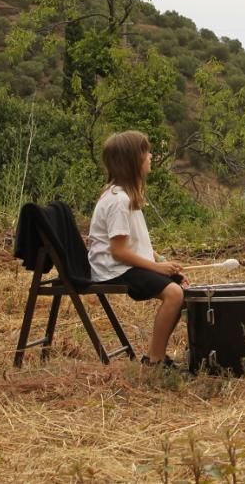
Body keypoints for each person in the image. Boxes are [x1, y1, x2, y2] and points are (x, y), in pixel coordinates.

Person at [87, 130, 187, 368]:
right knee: (174, 294)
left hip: (123, 264)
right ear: (132, 162)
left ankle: (156, 355)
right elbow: (119, 252)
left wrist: (162, 261)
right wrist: (155, 267)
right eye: (145, 153)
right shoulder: (118, 202)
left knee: (179, 283)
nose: (150, 156)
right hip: (114, 269)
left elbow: (135, 244)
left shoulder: (126, 197)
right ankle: (155, 360)